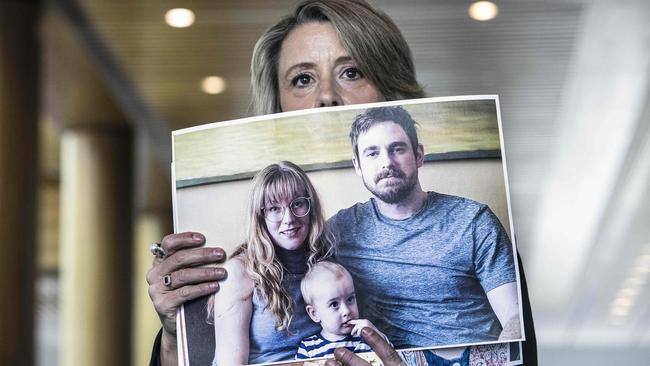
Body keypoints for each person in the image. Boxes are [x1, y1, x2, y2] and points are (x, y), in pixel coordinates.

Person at [146, 1, 537, 365]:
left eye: (352, 72)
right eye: (302, 79)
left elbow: (519, 342)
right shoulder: (332, 235)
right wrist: (171, 336)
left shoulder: (474, 222)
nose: (327, 97)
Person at [328, 105, 520, 363]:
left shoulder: (473, 220)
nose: (386, 162)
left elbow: (514, 316)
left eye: (397, 149)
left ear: (418, 154)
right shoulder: (340, 230)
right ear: (358, 166)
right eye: (372, 153)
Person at [207, 161, 334, 365]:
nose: (289, 219)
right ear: (260, 217)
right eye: (275, 208)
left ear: (311, 207)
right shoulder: (239, 272)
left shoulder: (326, 265)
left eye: (297, 204)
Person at [296, 261, 386, 359]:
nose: (346, 311)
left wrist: (377, 337)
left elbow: (392, 358)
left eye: (350, 299)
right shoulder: (308, 348)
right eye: (334, 304)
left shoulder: (366, 338)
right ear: (314, 314)